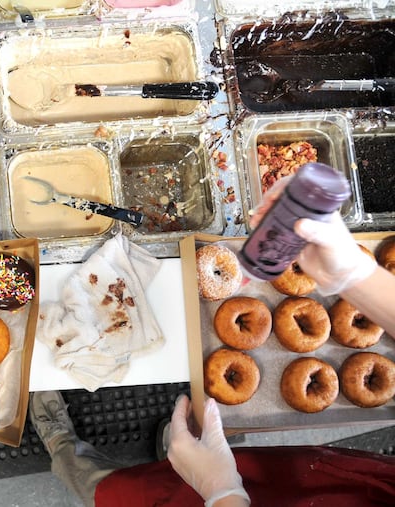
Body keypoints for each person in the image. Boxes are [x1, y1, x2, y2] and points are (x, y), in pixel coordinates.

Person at [30, 180, 395, 507]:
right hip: (334, 485)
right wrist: (356, 274)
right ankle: (178, 449)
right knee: (246, 467)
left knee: (118, 493)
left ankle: (62, 445)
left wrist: (222, 491)